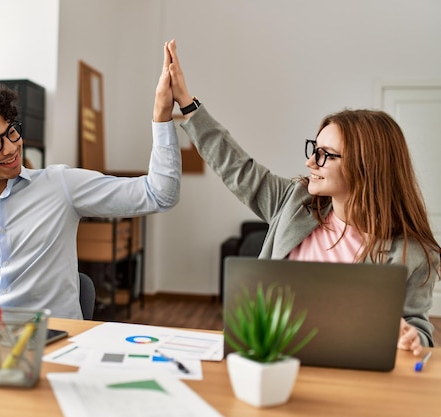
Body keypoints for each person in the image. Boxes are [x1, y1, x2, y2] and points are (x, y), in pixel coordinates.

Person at [164, 39, 440, 355]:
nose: (311, 162)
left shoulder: (414, 254)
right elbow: (235, 166)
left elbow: (418, 329)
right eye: (314, 149)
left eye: (325, 155)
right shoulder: (293, 203)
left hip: (348, 375)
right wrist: (186, 102)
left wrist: (413, 339)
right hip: (268, 360)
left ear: (366, 165)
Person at [0, 44, 180, 319]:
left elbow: (159, 194)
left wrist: (161, 114)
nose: (11, 148)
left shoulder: (59, 185)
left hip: (56, 342)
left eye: (11, 132)